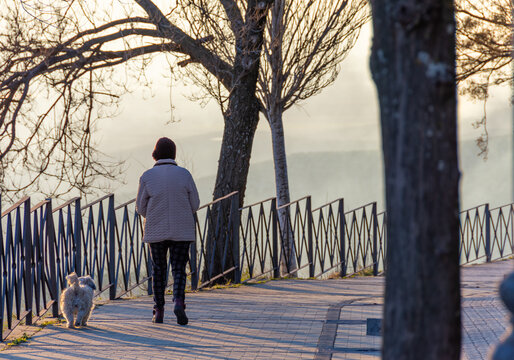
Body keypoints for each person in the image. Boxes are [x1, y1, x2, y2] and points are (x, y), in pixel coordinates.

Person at [136, 137, 200, 325]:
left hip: (156, 231)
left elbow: (140, 208)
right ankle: (179, 302)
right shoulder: (185, 174)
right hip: (182, 231)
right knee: (179, 268)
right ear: (174, 153)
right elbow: (195, 204)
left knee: (159, 269)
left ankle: (159, 310)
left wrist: (155, 212)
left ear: (155, 153)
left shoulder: (147, 176)